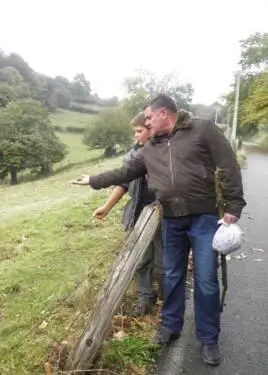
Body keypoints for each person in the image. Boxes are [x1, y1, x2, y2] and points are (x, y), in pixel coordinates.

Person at [71, 94, 246, 366]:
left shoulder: (203, 129)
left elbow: (229, 165)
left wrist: (234, 205)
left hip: (204, 219)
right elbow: (124, 173)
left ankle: (209, 339)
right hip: (172, 220)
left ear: (164, 113)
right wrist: (93, 180)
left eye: (149, 117)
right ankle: (169, 327)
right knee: (172, 276)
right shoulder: (149, 148)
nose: (147, 122)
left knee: (207, 281)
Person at [92, 111, 163, 316]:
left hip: (163, 216)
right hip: (138, 215)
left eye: (140, 131)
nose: (136, 136)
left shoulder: (165, 152)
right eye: (135, 132)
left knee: (163, 261)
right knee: (140, 259)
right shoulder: (132, 156)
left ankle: (168, 300)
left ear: (151, 130)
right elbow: (123, 183)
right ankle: (145, 298)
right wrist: (106, 207)